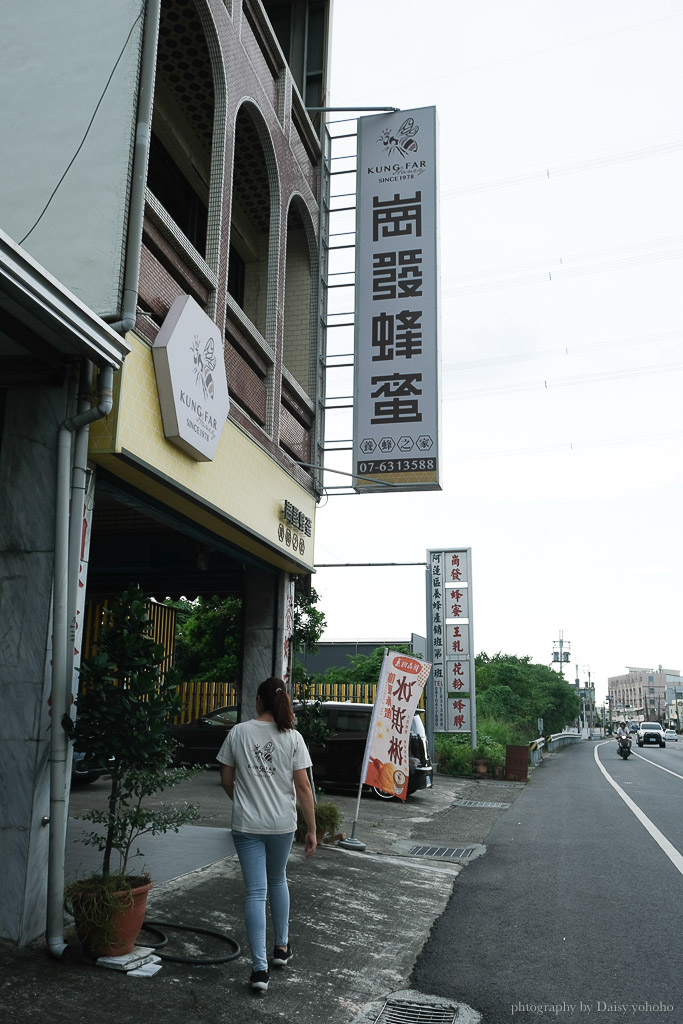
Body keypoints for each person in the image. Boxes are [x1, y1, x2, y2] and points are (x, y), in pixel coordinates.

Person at [217, 677, 317, 993]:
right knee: (278, 880)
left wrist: (244, 801)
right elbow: (303, 786)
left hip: (247, 825)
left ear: (259, 700)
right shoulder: (293, 737)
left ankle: (260, 970)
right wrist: (312, 829)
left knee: (256, 892)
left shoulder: (238, 732)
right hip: (282, 826)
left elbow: (225, 779)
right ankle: (282, 948)